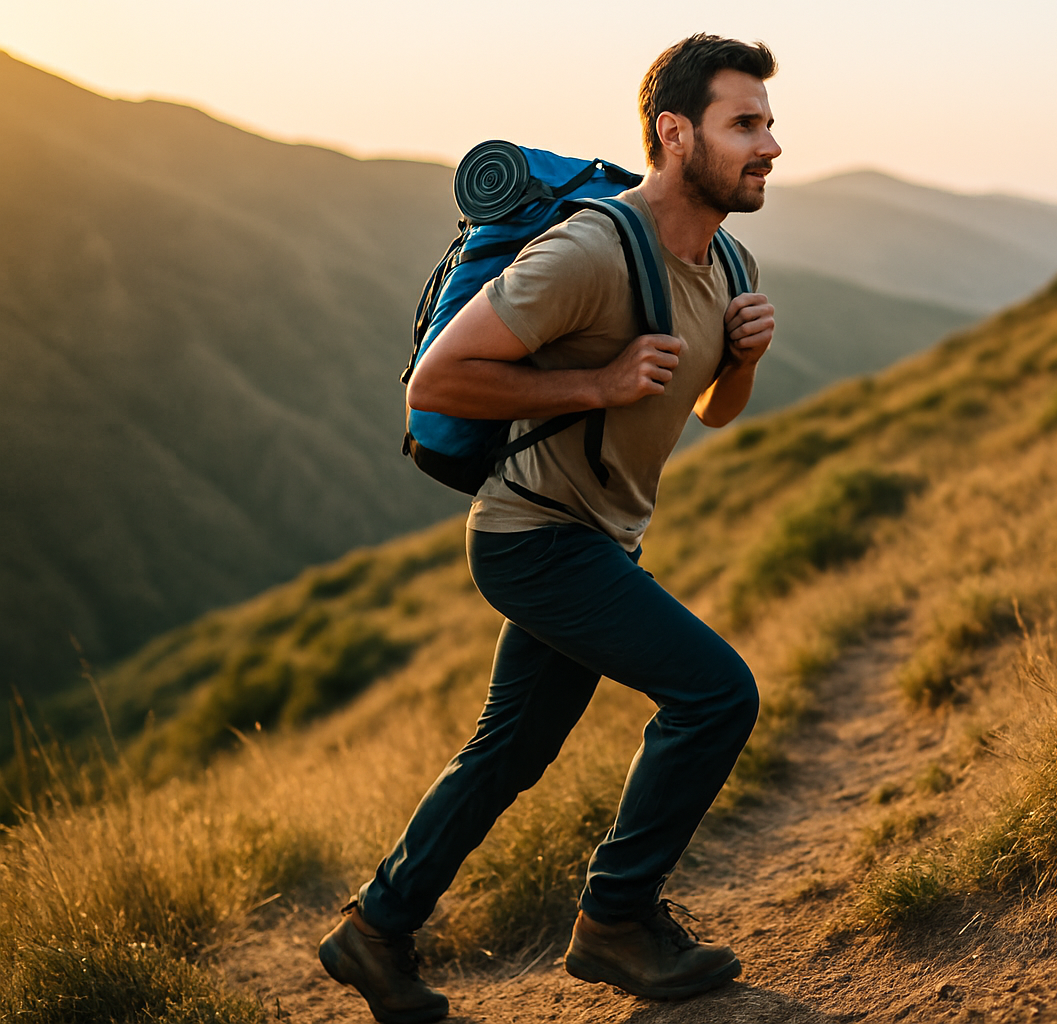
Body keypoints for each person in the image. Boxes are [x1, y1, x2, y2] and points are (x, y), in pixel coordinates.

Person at [317, 33, 780, 1024]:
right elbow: (435, 381)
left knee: (509, 751)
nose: (770, 144)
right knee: (715, 695)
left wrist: (737, 364)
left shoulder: (726, 259)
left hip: (599, 538)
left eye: (770, 123)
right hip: (535, 537)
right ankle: (616, 919)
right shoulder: (590, 249)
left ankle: (375, 929)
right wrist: (596, 381)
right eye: (745, 122)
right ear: (675, 133)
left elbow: (711, 412)